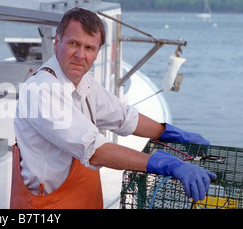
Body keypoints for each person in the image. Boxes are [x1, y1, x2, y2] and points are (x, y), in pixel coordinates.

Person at [11, 7, 216, 209]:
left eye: (89, 48)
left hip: (85, 200)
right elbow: (94, 150)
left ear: (97, 52)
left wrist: (169, 133)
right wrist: (164, 164)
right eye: (74, 43)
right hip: (47, 205)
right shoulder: (41, 90)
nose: (80, 55)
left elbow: (124, 117)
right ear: (57, 42)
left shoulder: (84, 82)